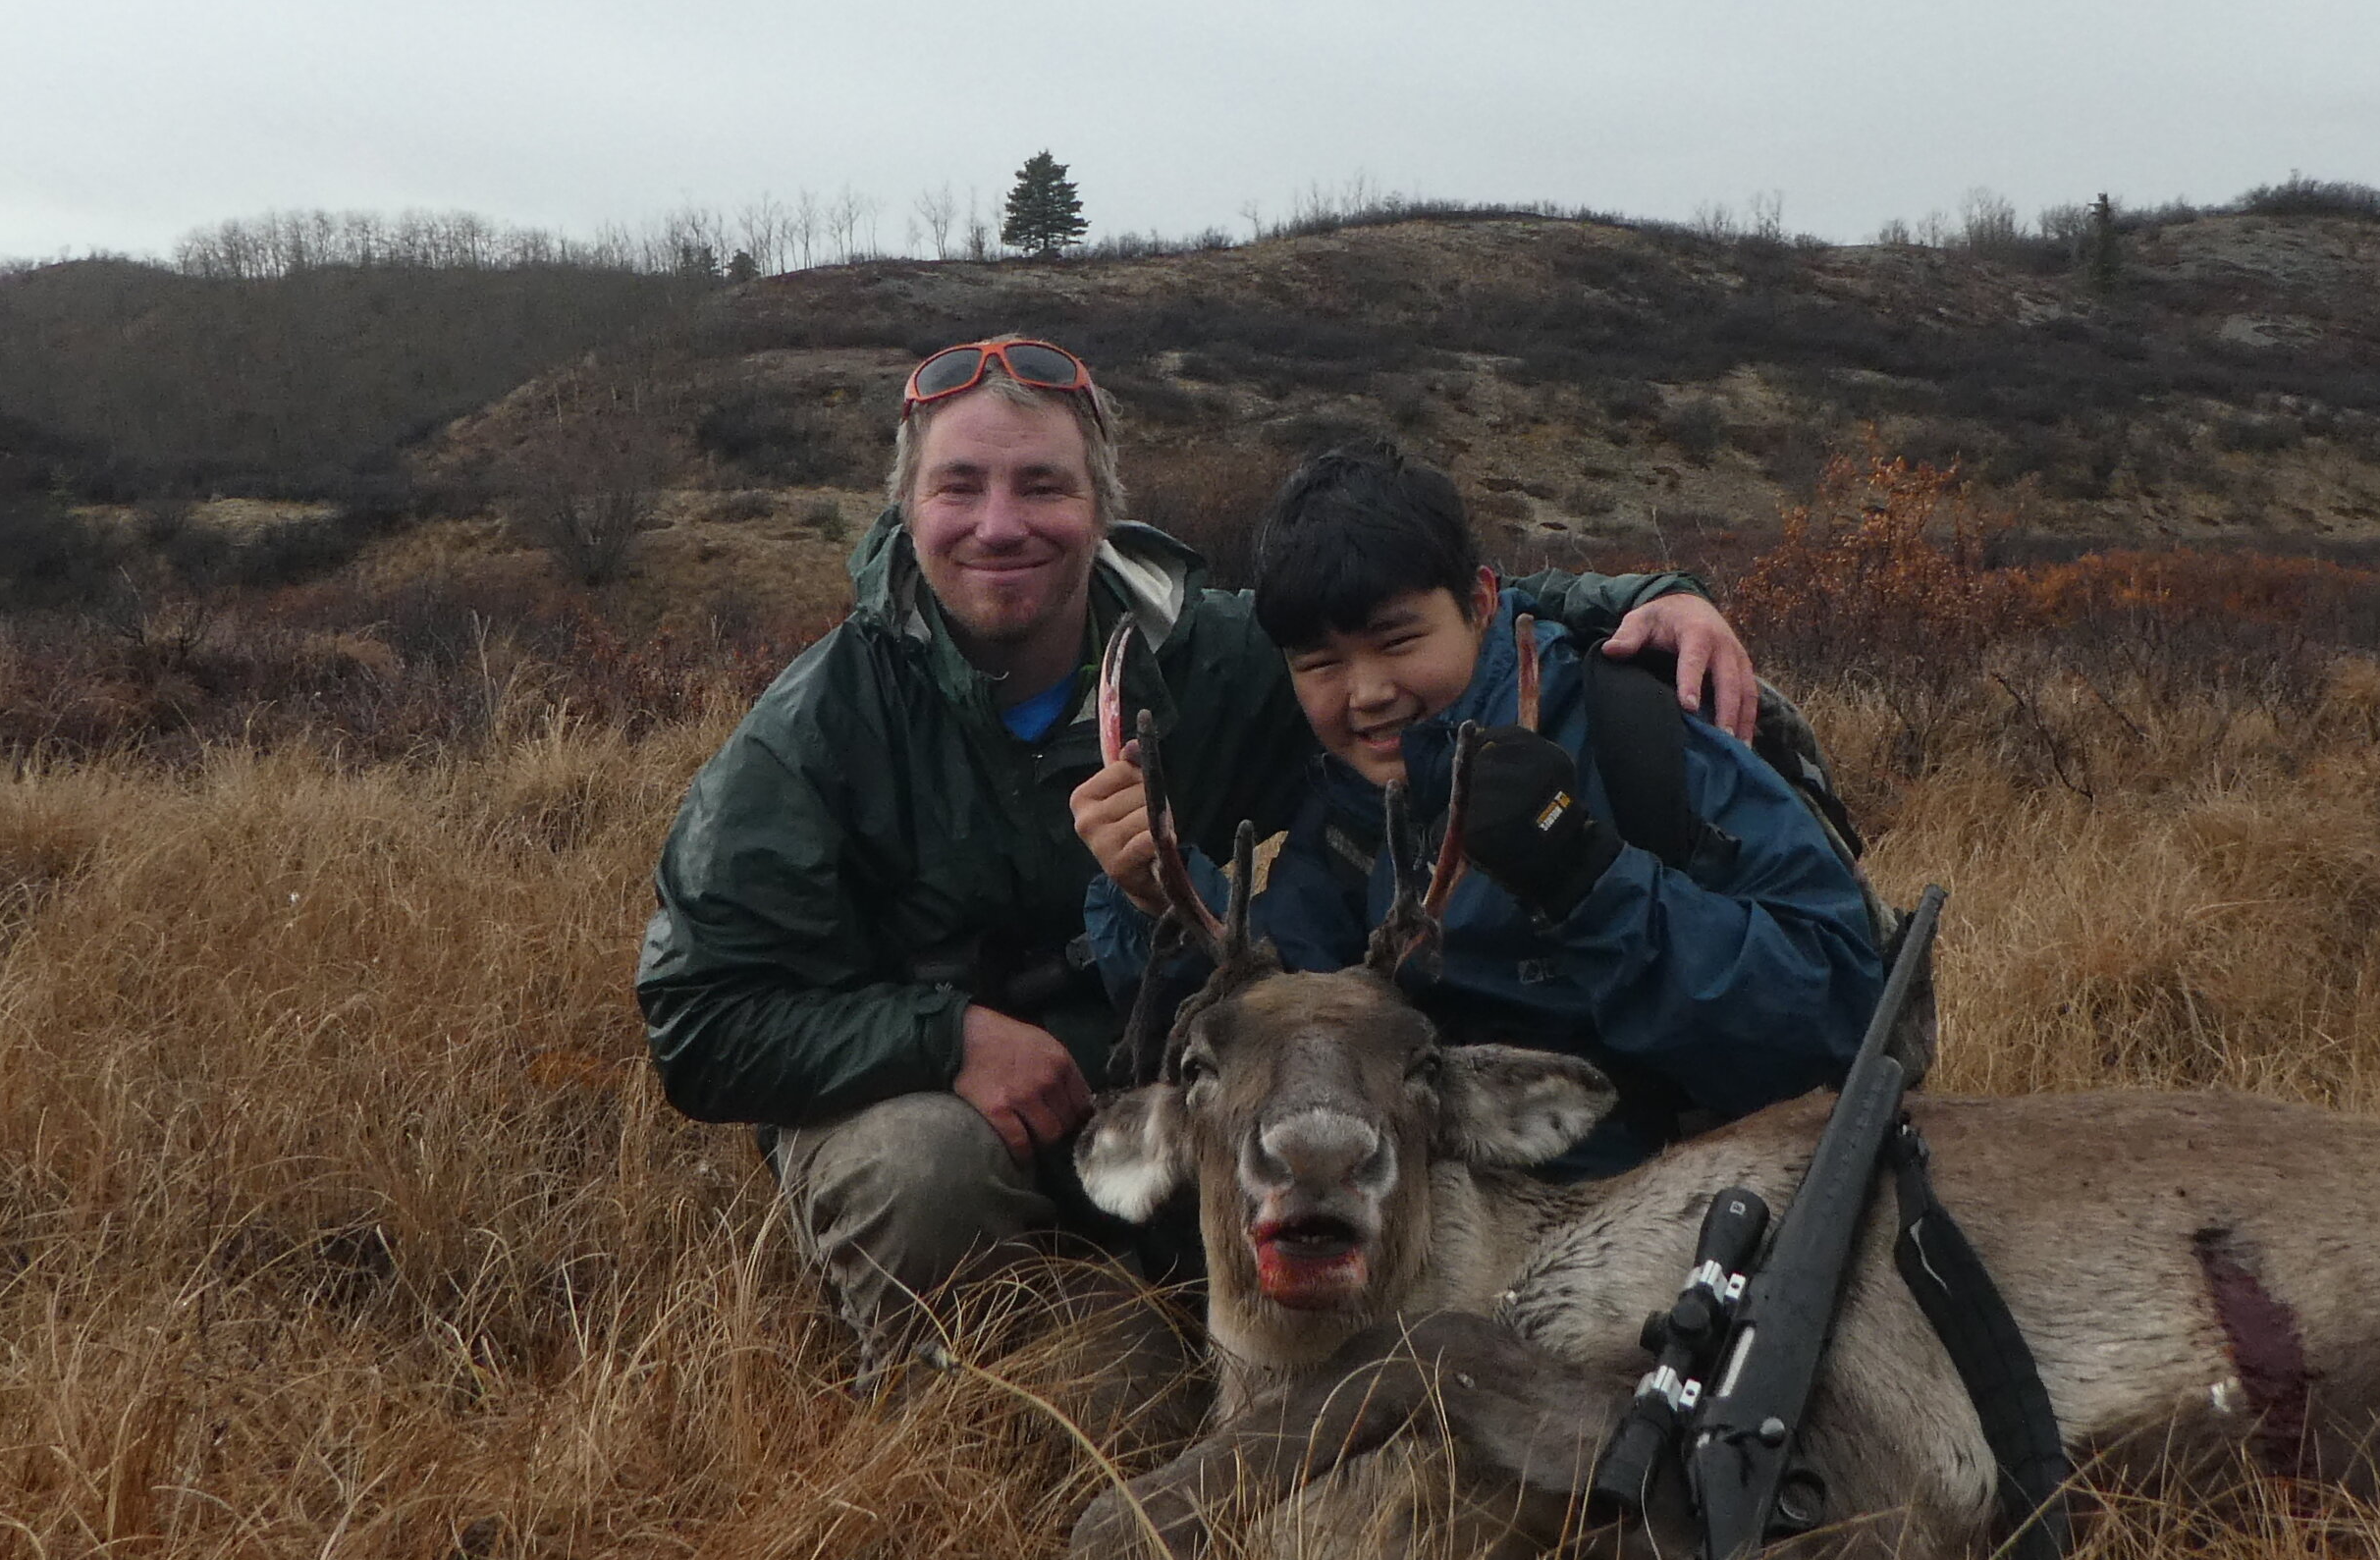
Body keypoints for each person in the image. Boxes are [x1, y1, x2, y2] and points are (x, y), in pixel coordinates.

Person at [636, 337, 1758, 1371]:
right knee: (920, 1173)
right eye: (959, 487)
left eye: (1042, 485)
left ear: (1101, 508)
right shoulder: (815, 730)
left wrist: (1651, 598)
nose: (1000, 523)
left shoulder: (1211, 655)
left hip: (1162, 1077)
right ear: (906, 508)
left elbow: (1413, 615)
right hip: (939, 1102)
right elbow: (697, 1019)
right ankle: (985, 1397)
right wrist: (946, 1039)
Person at [1079, 439, 1881, 1172]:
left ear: (1483, 603)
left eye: (1398, 642)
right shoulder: (1347, 814)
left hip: (1688, 1192)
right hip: (1447, 1206)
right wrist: (1163, 900)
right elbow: (1297, 1012)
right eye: (1320, 663)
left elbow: (1837, 1018)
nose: (1367, 695)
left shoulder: (1638, 737)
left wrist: (1586, 876)